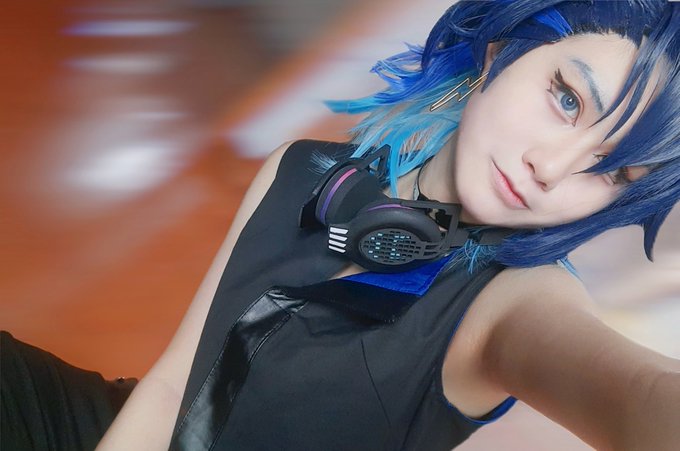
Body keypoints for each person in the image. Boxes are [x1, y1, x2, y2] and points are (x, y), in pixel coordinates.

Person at [3, 1, 678, 450]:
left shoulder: (516, 303)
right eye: (567, 98)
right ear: (500, 51)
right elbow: (172, 385)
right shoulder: (301, 168)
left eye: (613, 171)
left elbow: (641, 395)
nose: (551, 168)